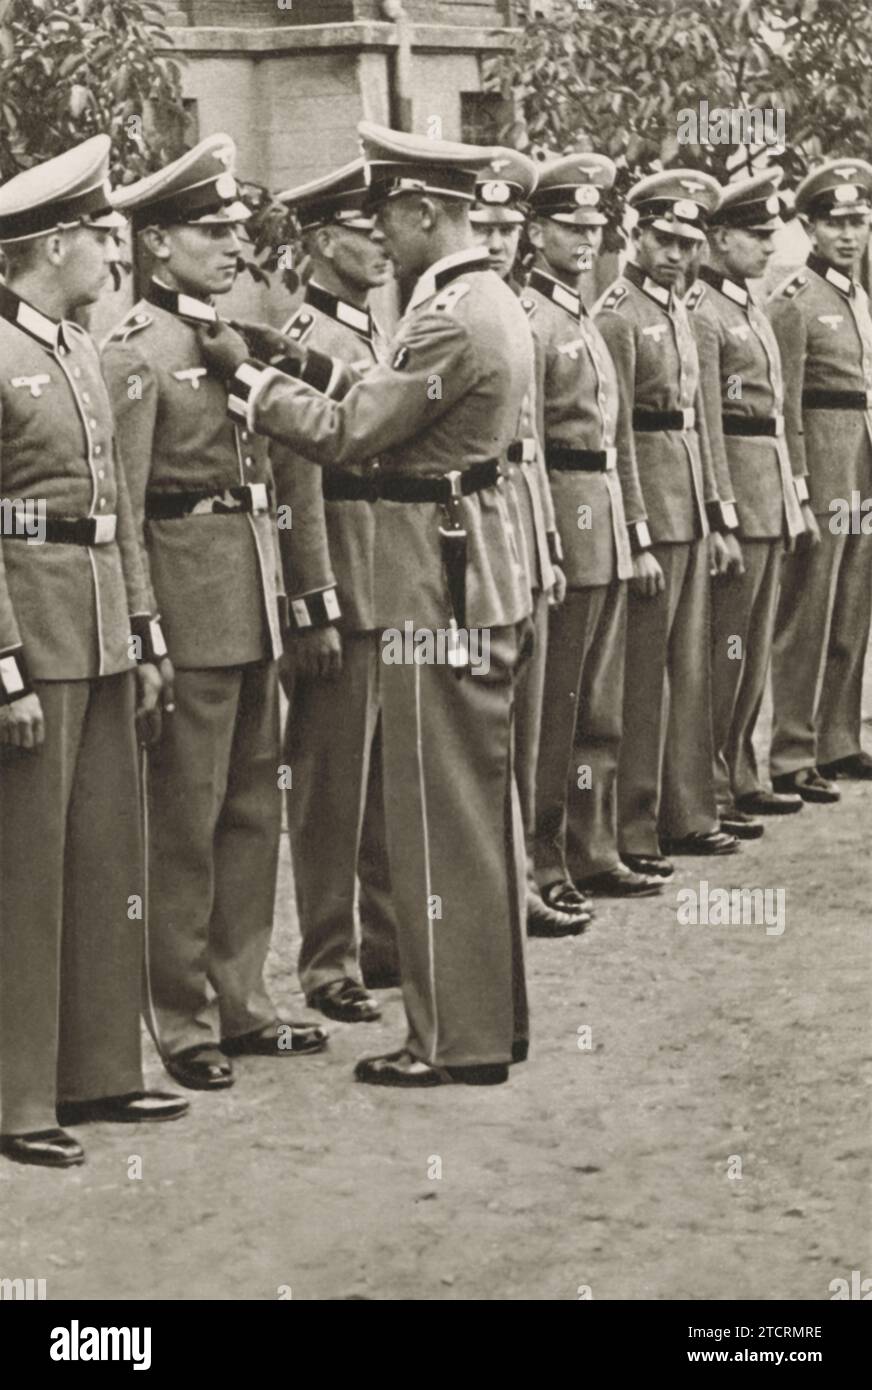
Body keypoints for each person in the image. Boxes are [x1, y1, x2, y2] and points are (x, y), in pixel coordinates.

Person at [199, 121, 533, 1088]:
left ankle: (448, 1042)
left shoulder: (447, 316)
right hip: (465, 578)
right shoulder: (485, 300)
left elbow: (351, 437)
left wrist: (252, 382)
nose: (388, 233)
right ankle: (486, 1024)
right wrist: (294, 359)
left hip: (435, 588)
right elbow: (394, 405)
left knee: (438, 822)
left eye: (394, 213)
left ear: (428, 209)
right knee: (472, 816)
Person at [103, 134, 327, 1093]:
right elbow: (123, 508)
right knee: (183, 825)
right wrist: (146, 630)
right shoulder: (138, 354)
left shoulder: (245, 340)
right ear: (155, 247)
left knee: (251, 814)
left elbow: (280, 480)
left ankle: (247, 1002)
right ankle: (182, 1017)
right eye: (210, 230)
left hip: (253, 600)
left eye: (238, 229)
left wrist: (299, 601)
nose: (235, 246)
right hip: (189, 612)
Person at [0, 136, 187, 1168]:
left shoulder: (79, 348)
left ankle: (103, 1067)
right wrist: (5, 668)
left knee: (108, 857)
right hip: (37, 637)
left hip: (104, 629)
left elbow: (117, 513)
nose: (115, 257)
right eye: (100, 238)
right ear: (54, 241)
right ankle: (22, 1095)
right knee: (28, 875)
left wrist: (145, 635)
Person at [272, 158, 398, 1021]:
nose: (382, 239)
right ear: (321, 242)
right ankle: (327, 962)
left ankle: (387, 942)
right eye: (363, 229)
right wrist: (314, 602)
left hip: (388, 577)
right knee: (328, 787)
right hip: (342, 583)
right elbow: (298, 481)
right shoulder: (302, 336)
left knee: (387, 777)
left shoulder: (368, 331)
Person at [523, 153, 663, 905]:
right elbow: (532, 448)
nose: (585, 240)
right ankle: (545, 860)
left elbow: (621, 441)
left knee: (600, 706)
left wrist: (635, 529)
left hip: (604, 517)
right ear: (536, 231)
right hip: (567, 517)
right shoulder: (534, 320)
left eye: (593, 227)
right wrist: (547, 538)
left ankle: (594, 843)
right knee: (559, 707)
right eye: (569, 227)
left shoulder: (583, 314)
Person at [594, 170, 740, 879]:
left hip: (686, 503)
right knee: (641, 681)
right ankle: (633, 827)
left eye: (688, 242)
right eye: (664, 239)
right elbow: (616, 434)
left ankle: (689, 812)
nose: (678, 254)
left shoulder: (679, 307)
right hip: (649, 505)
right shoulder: (618, 312)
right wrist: (638, 531)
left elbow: (701, 419)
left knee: (689, 671)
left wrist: (719, 514)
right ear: (636, 233)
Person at [470, 148, 592, 936]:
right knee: (487, 729)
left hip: (524, 523)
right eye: (480, 225)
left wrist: (547, 538)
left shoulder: (521, 312)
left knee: (533, 722)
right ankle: (506, 883)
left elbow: (534, 449)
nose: (495, 240)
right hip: (477, 534)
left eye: (507, 227)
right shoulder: (460, 311)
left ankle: (531, 871)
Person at [686, 170, 811, 826]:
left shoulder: (747, 305)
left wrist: (791, 499)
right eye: (756, 236)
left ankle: (742, 766)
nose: (769, 247)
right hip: (739, 489)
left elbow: (777, 413)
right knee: (725, 651)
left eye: (773, 236)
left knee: (753, 647)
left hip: (768, 492)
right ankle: (710, 784)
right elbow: (709, 421)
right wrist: (721, 514)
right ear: (719, 237)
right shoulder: (704, 314)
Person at [767, 158, 872, 800]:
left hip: (862, 454)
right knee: (811, 602)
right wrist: (800, 486)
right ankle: (790, 751)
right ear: (809, 227)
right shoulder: (794, 300)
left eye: (859, 221)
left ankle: (839, 739)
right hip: (824, 455)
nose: (850, 234)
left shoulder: (859, 296)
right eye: (836, 224)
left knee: (855, 600)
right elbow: (784, 406)